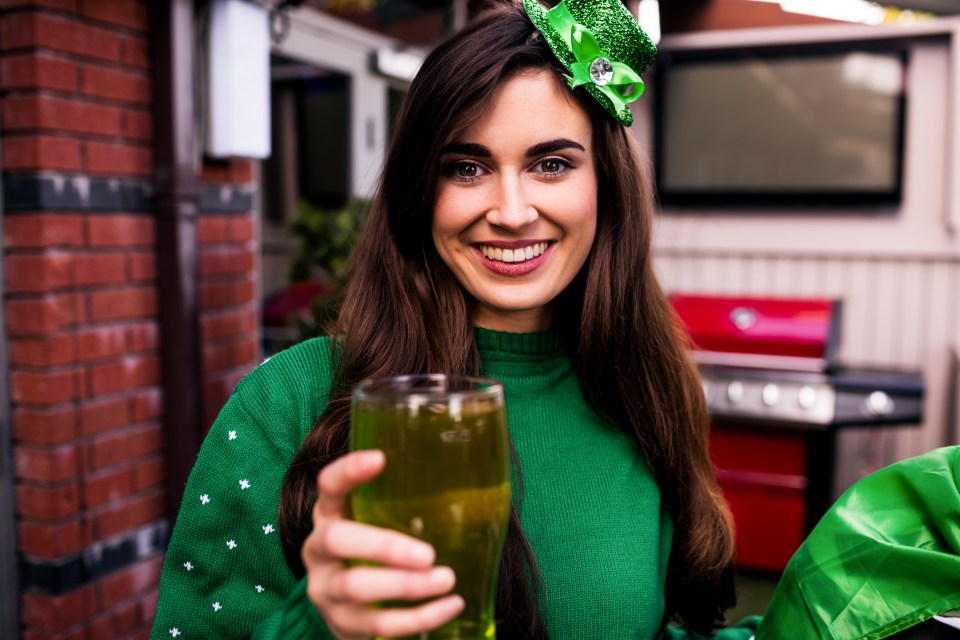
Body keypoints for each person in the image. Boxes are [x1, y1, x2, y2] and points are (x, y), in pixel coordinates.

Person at [151, 0, 762, 637]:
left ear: (605, 180)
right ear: (420, 192)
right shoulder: (290, 403)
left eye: (551, 164)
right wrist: (322, 625)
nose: (512, 210)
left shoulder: (646, 389)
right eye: (466, 168)